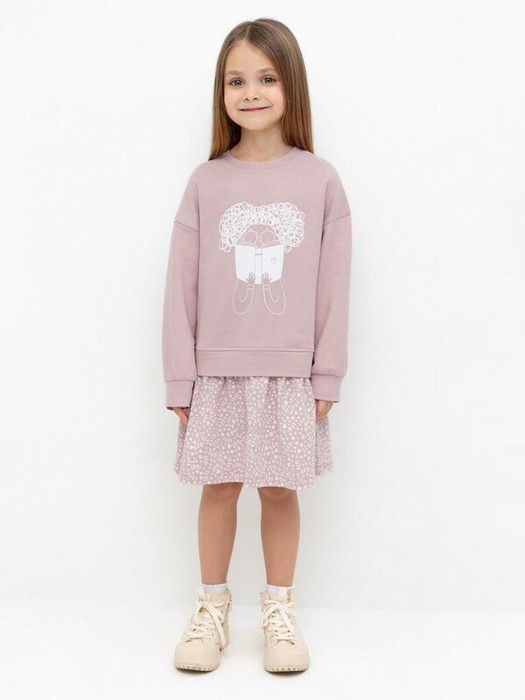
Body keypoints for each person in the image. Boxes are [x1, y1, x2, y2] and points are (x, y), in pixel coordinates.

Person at [161, 17, 352, 674]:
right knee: (217, 489)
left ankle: (279, 611)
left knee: (277, 491)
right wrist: (179, 377)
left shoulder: (320, 181)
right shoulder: (206, 182)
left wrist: (326, 375)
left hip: (290, 374)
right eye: (235, 80)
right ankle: (211, 609)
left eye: (266, 78)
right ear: (221, 93)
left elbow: (333, 286)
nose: (250, 92)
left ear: (290, 85)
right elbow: (181, 285)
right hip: (215, 372)